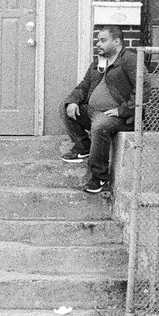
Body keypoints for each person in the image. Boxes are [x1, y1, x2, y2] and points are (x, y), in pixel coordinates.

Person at [60, 25, 142, 194]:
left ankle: (99, 177)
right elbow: (84, 86)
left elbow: (143, 88)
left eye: (103, 40)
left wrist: (123, 110)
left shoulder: (129, 60)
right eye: (98, 40)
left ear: (117, 42)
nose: (98, 44)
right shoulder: (99, 63)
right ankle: (83, 147)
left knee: (99, 126)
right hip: (93, 112)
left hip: (119, 116)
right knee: (65, 107)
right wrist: (73, 101)